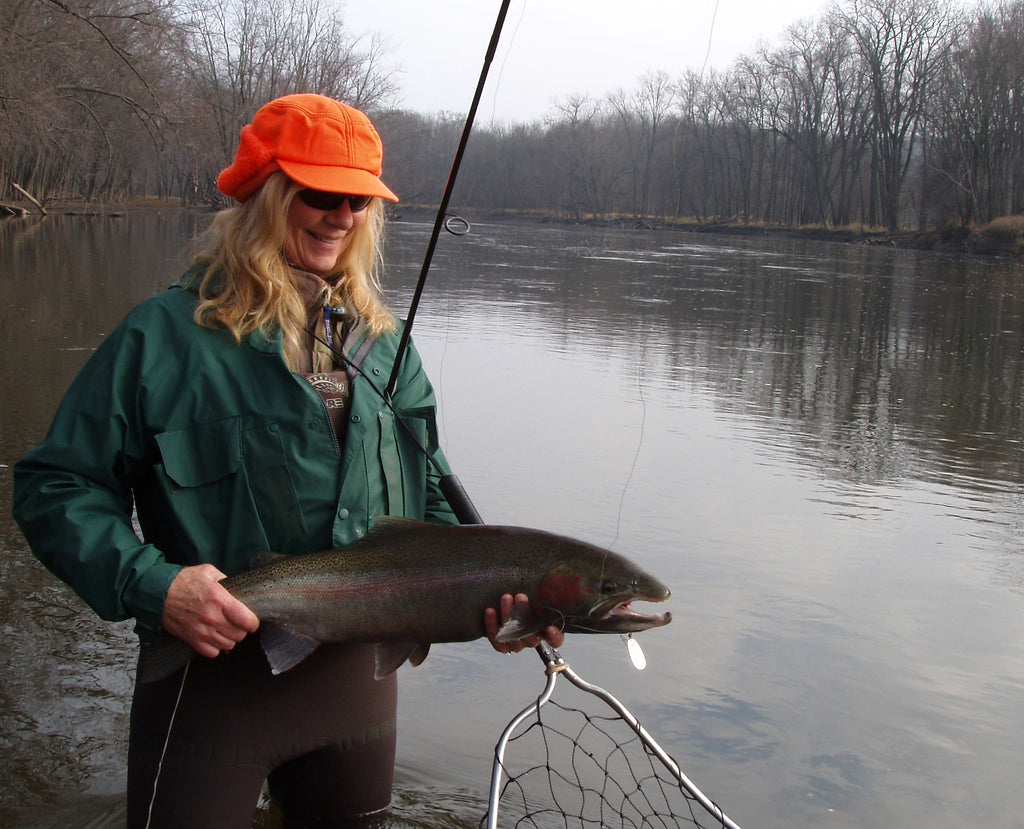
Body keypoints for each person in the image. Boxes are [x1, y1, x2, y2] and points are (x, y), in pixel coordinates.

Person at [12, 93, 562, 828]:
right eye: (321, 194)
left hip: (359, 695)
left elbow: (428, 503)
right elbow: (57, 486)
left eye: (360, 200)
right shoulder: (162, 338)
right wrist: (156, 586)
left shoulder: (388, 347)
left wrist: (491, 595)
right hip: (206, 694)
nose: (342, 215)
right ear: (264, 197)